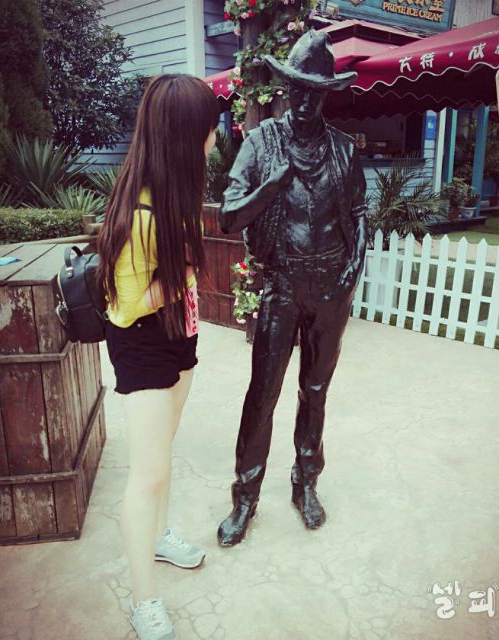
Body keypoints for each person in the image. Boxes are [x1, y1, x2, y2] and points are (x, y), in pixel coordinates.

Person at [216, 29, 368, 547]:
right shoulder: (261, 143)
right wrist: (271, 186)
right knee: (263, 392)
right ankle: (245, 496)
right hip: (282, 284)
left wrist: (353, 271)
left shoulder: (343, 149)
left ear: (325, 95)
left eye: (314, 93)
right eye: (297, 90)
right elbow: (228, 217)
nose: (304, 102)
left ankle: (306, 483)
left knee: (316, 391)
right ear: (286, 90)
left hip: (331, 288)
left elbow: (360, 215)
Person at [97, 73, 219, 640]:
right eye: (210, 128)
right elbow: (123, 309)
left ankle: (160, 536)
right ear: (186, 136)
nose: (216, 138)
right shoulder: (142, 216)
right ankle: (143, 600)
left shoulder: (176, 193)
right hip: (142, 343)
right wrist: (183, 276)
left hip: (176, 335)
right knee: (146, 475)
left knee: (162, 458)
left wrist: (183, 280)